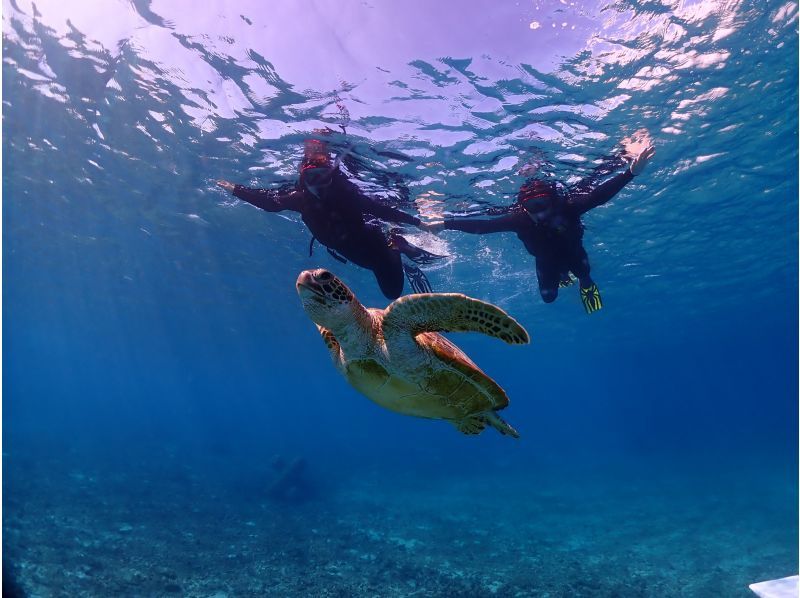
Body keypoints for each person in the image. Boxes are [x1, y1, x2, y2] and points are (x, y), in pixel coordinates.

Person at [422, 141, 655, 313]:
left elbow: (598, 195)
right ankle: (564, 275)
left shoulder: (569, 206)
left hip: (574, 251)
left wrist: (630, 173)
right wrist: (444, 223)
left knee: (584, 274)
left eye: (542, 204)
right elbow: (484, 227)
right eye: (532, 206)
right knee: (548, 298)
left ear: (552, 200)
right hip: (545, 260)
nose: (539, 211)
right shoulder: (519, 219)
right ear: (523, 207)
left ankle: (582, 281)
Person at [217, 135, 441, 299]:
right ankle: (400, 250)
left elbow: (380, 209)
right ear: (303, 179)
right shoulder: (300, 199)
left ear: (332, 176)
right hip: (349, 251)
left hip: (374, 247)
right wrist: (236, 189)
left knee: (392, 292)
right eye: (312, 178)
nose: (320, 185)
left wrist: (420, 222)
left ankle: (396, 240)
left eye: (324, 177)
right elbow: (269, 202)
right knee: (390, 291)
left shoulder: (347, 195)